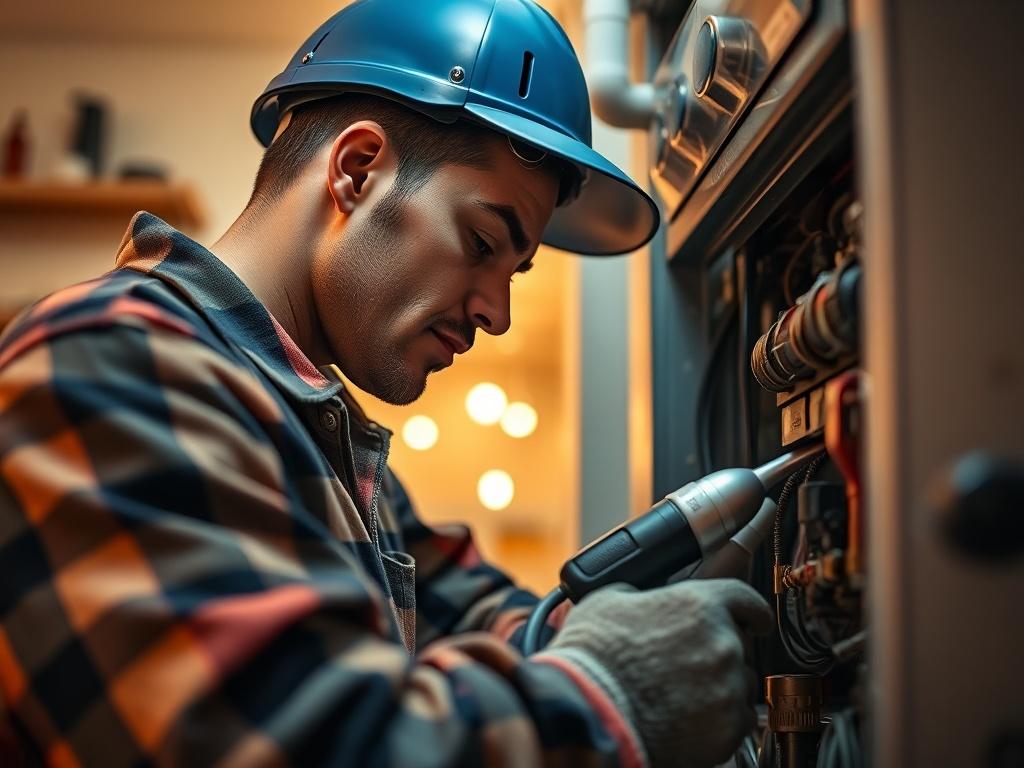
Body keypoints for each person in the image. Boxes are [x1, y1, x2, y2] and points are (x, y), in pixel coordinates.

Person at [0, 1, 772, 765]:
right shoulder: (103, 364)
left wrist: (622, 619)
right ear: (356, 170)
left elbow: (474, 611)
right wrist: (613, 694)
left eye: (515, 270)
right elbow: (297, 747)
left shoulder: (316, 428)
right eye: (480, 242)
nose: (496, 313)